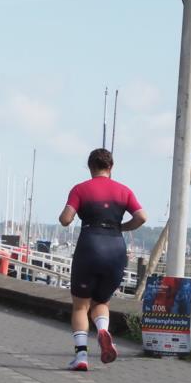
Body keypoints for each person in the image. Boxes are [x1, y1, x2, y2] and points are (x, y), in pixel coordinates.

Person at [58, 148, 146, 371]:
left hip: (90, 246)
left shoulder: (80, 189)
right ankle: (103, 331)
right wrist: (121, 227)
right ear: (111, 167)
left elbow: (66, 219)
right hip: (115, 248)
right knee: (101, 302)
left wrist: (68, 213)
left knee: (80, 306)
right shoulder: (124, 190)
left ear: (90, 167)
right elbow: (141, 217)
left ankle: (81, 357)